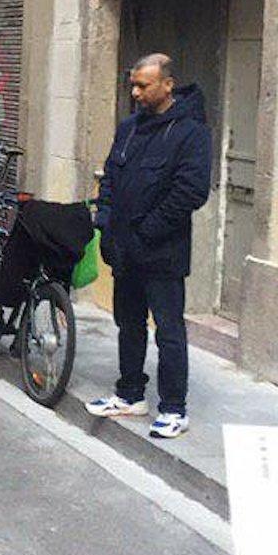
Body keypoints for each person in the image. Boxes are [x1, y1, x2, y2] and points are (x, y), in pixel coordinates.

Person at [86, 55, 212, 439]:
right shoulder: (128, 128)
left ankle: (174, 408)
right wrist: (105, 223)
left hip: (162, 252)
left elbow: (190, 192)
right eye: (134, 86)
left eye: (144, 86)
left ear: (168, 85)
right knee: (128, 324)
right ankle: (130, 395)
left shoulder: (191, 132)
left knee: (169, 330)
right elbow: (109, 177)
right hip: (124, 249)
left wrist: (147, 232)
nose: (136, 93)